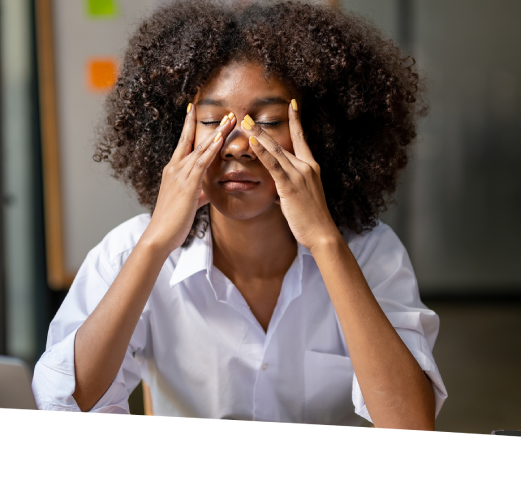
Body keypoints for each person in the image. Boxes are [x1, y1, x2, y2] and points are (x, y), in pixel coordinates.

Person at [32, 0, 446, 430]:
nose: (237, 144)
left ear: (320, 132)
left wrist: (325, 241)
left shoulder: (369, 250)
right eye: (213, 121)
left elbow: (411, 426)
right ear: (176, 135)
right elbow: (64, 405)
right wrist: (155, 244)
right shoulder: (130, 249)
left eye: (266, 121)